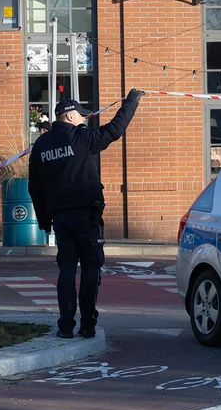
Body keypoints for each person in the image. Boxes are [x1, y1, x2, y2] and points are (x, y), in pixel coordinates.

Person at [29, 90, 145, 339]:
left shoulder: (41, 145)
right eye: (81, 116)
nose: (84, 120)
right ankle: (88, 323)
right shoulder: (81, 137)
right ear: (70, 117)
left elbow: (34, 187)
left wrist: (42, 219)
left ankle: (65, 326)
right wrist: (131, 103)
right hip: (87, 216)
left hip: (60, 218)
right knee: (91, 268)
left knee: (67, 270)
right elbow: (114, 130)